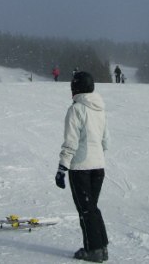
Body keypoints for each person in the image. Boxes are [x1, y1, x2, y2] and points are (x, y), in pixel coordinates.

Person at [55, 71, 109, 262]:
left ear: (76, 88)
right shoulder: (99, 109)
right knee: (92, 207)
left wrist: (62, 167)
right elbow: (106, 141)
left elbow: (71, 142)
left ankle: (93, 250)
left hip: (81, 168)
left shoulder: (76, 109)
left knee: (86, 210)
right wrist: (96, 157)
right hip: (98, 167)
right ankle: (101, 247)